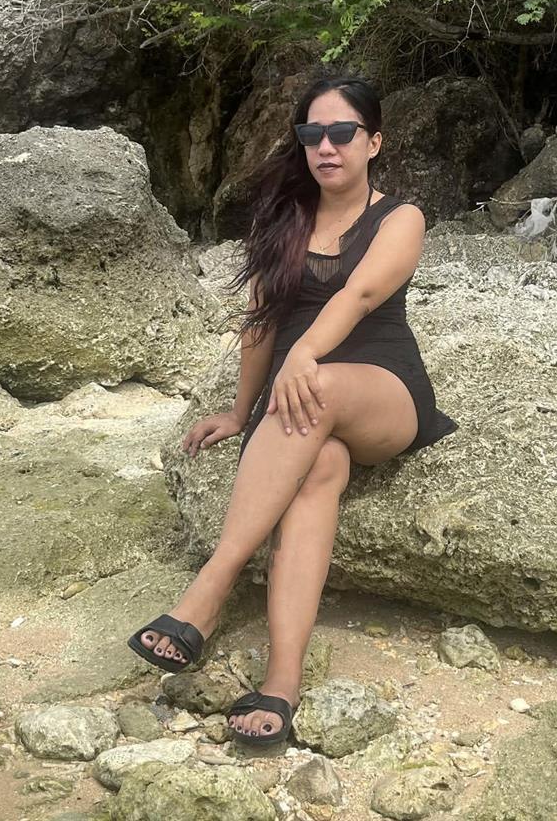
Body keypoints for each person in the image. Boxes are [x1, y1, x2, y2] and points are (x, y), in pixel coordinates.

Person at [128, 75, 457, 746]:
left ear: (373, 142)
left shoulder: (401, 219)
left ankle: (212, 586)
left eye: (341, 133)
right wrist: (238, 411)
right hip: (298, 402)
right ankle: (282, 680)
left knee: (318, 387)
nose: (325, 146)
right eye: (312, 133)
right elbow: (260, 324)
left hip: (381, 389)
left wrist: (303, 355)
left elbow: (359, 295)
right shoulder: (282, 218)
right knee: (319, 470)